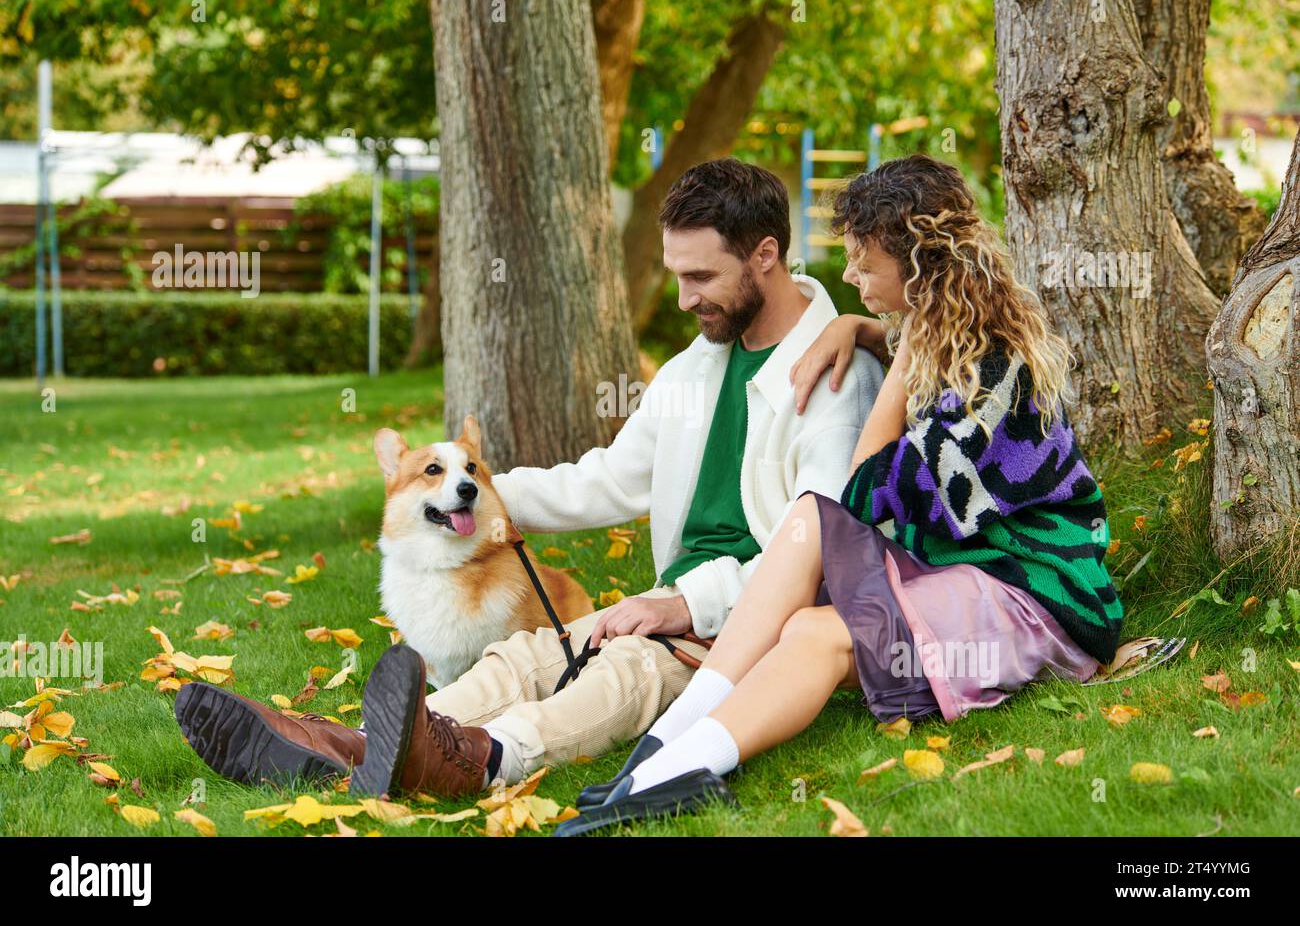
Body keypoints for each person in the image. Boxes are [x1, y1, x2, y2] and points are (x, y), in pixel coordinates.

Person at [173, 158, 885, 798]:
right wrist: (481, 497)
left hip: (745, 627)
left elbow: (817, 550)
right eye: (676, 276)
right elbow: (609, 479)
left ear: (766, 255)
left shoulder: (837, 382)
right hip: (671, 604)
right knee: (526, 655)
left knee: (623, 673)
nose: (681, 300)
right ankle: (347, 744)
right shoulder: (694, 369)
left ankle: (478, 759)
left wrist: (684, 605)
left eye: (700, 277)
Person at [556, 153, 1125, 836]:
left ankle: (680, 768)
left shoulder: (993, 375)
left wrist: (894, 354)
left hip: (1034, 596)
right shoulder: (945, 333)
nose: (849, 277)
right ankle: (661, 755)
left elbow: (866, 494)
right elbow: (852, 508)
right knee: (806, 540)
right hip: (959, 575)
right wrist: (870, 330)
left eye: (863, 264)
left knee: (821, 620)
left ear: (917, 271)